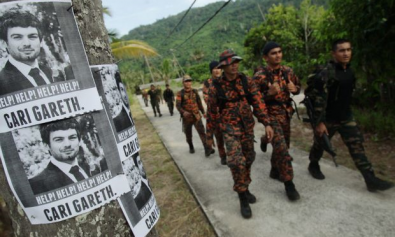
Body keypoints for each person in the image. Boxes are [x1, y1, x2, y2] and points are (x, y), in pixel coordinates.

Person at [305, 39, 393, 192]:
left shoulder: (350, 71)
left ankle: (369, 178)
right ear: (334, 53)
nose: (346, 53)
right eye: (341, 50)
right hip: (327, 119)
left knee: (356, 145)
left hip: (346, 117)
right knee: (320, 144)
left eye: (348, 50)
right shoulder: (326, 73)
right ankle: (313, 164)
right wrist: (320, 123)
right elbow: (319, 100)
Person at [206, 50, 274, 218]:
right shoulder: (216, 87)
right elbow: (211, 113)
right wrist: (209, 136)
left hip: (247, 127)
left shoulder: (246, 81)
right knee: (236, 162)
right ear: (223, 66)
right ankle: (242, 196)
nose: (235, 65)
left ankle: (246, 186)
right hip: (229, 129)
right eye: (231, 62)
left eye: (236, 61)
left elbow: (258, 102)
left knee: (249, 157)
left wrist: (266, 123)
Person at [253, 41, 301, 201]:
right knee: (282, 149)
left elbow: (297, 86)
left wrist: (295, 89)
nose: (278, 55)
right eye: (273, 53)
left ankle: (274, 170)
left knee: (283, 146)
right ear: (266, 57)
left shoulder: (287, 71)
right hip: (270, 116)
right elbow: (255, 100)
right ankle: (289, 184)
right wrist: (269, 93)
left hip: (286, 114)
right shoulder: (260, 76)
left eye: (279, 52)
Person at [29, 118, 108, 195]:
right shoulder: (36, 184)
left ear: (79, 141)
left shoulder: (94, 167)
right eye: (59, 139)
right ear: (46, 145)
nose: (67, 144)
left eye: (72, 137)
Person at [0, 11, 71, 95]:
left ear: (40, 42)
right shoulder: (2, 83)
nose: (27, 43)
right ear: (4, 43)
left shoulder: (50, 71)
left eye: (32, 36)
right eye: (17, 37)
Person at [176, 75, 212, 155]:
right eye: (186, 81)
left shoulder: (195, 91)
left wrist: (203, 112)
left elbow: (199, 103)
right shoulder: (180, 93)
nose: (188, 83)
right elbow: (178, 105)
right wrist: (183, 112)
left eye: (189, 81)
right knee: (188, 135)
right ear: (183, 83)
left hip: (196, 116)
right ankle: (191, 146)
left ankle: (206, 149)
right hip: (187, 118)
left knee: (202, 132)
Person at [202, 61, 227, 165]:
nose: (217, 70)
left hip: (227, 113)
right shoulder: (207, 83)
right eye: (214, 68)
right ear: (211, 70)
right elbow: (206, 98)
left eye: (218, 68)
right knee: (219, 136)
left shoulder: (226, 80)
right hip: (215, 114)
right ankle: (223, 156)